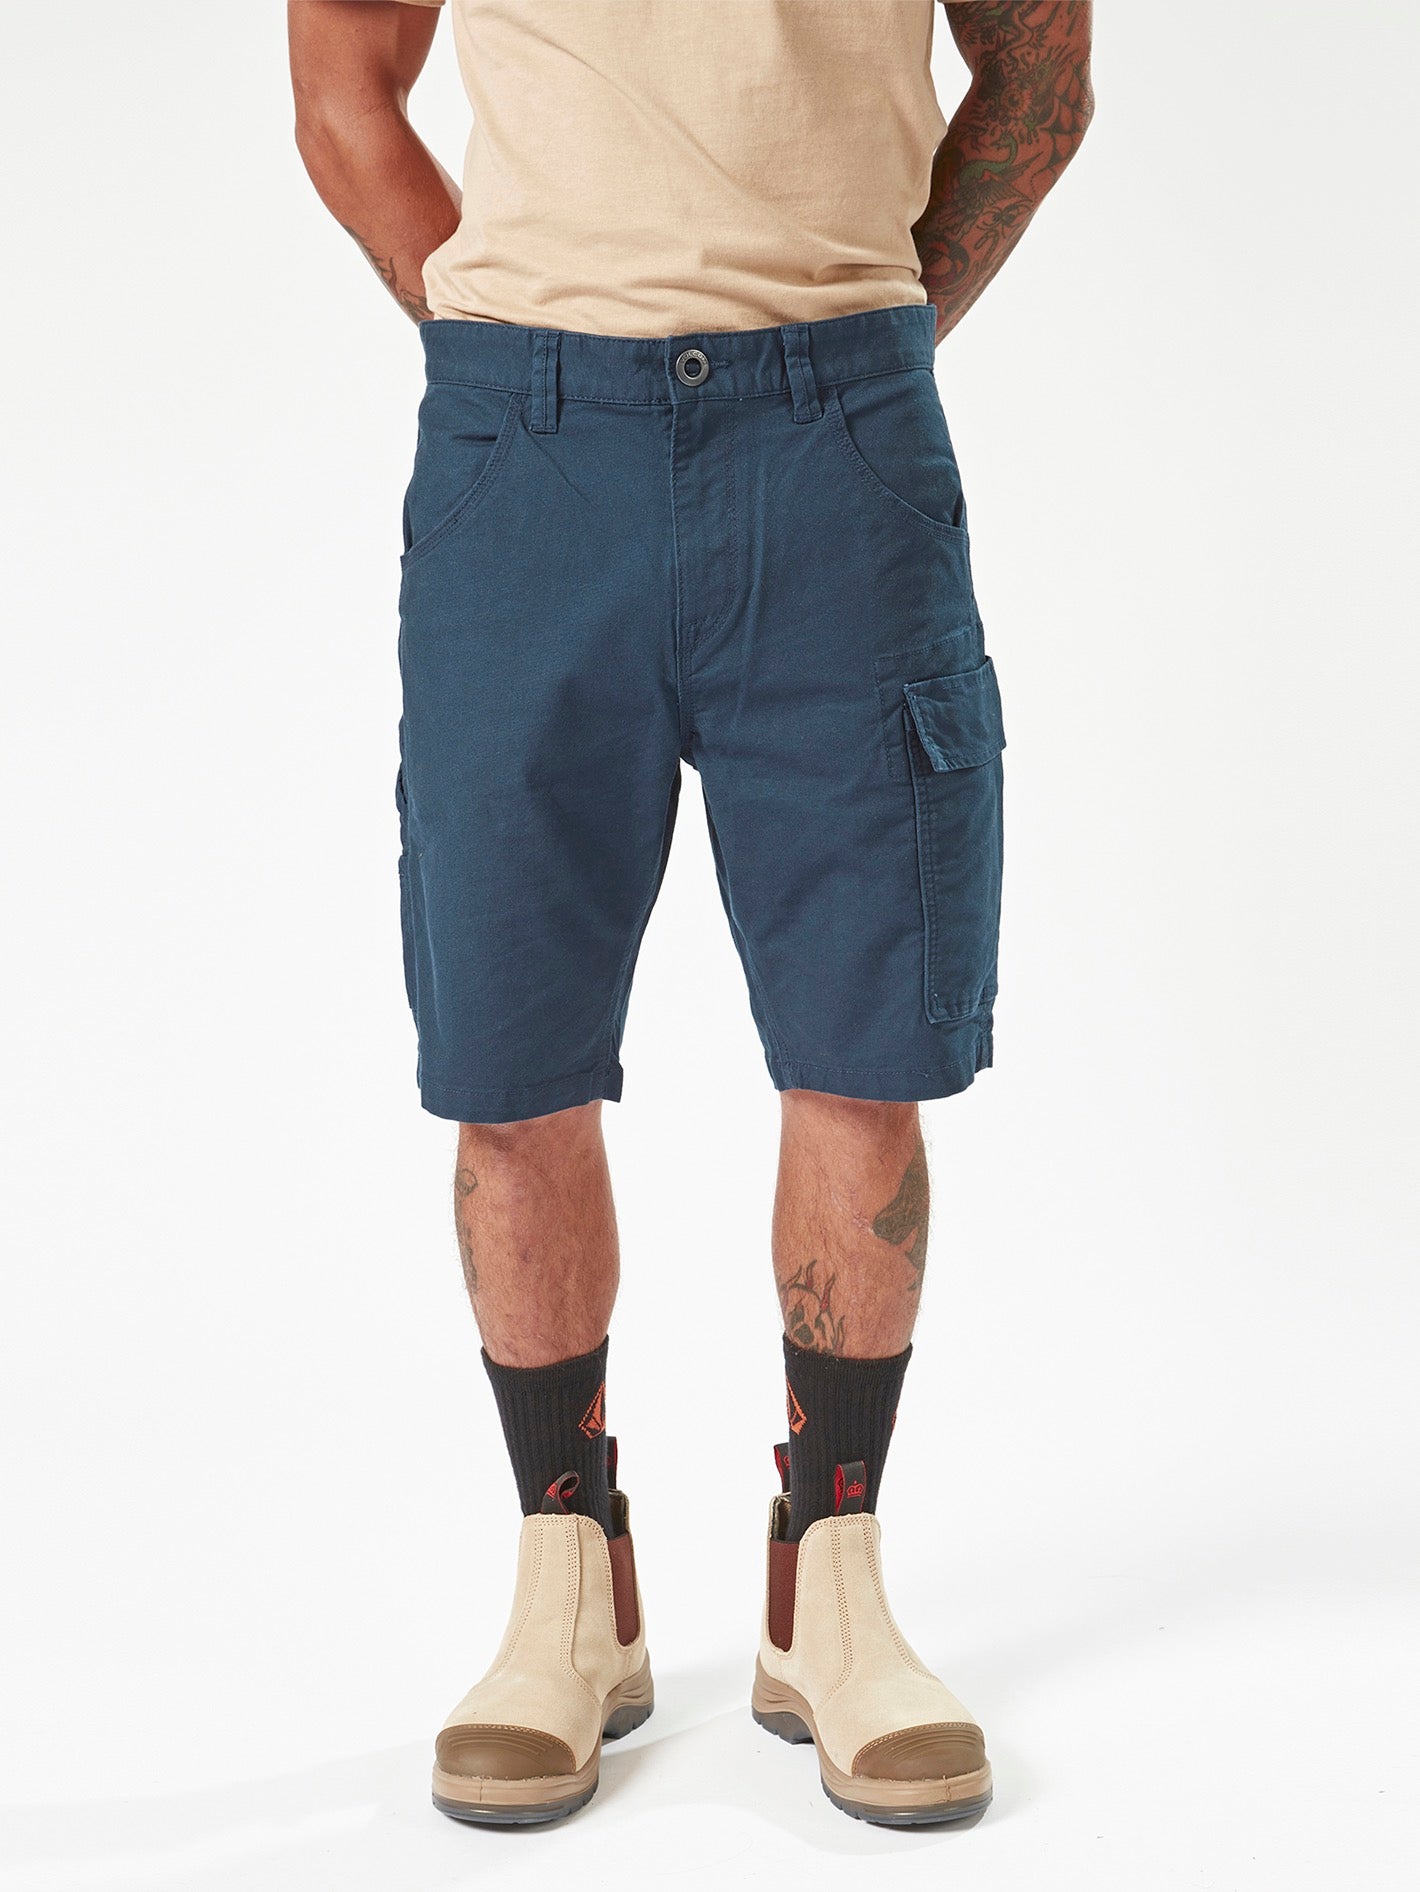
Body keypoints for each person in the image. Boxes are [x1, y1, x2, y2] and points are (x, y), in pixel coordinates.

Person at [289, 0, 1092, 1830]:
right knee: (508, 1051)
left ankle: (835, 1580)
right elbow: (342, 85)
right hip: (526, 439)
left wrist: (855, 339)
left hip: (841, 432)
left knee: (864, 1036)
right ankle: (568, 1581)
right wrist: (515, 339)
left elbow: (1042, 83)